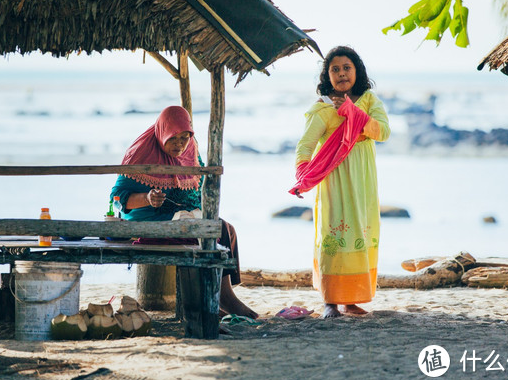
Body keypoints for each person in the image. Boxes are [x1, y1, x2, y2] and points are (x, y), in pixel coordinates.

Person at [110, 106, 257, 319]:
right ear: (162, 133)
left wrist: (196, 209)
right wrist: (147, 198)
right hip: (149, 220)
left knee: (225, 229)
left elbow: (202, 185)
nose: (179, 144)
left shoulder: (191, 151)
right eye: (173, 138)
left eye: (184, 137)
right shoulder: (142, 152)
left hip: (181, 215)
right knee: (205, 234)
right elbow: (116, 199)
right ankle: (215, 301)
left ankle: (223, 296)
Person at [291, 46, 390, 318]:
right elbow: (305, 145)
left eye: (347, 67)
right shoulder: (323, 107)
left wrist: (351, 111)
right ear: (327, 76)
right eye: (335, 69)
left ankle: (351, 299)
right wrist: (303, 175)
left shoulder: (368, 101)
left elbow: (383, 132)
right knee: (332, 235)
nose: (342, 74)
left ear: (357, 71)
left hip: (363, 181)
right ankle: (330, 302)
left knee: (359, 233)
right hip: (334, 181)